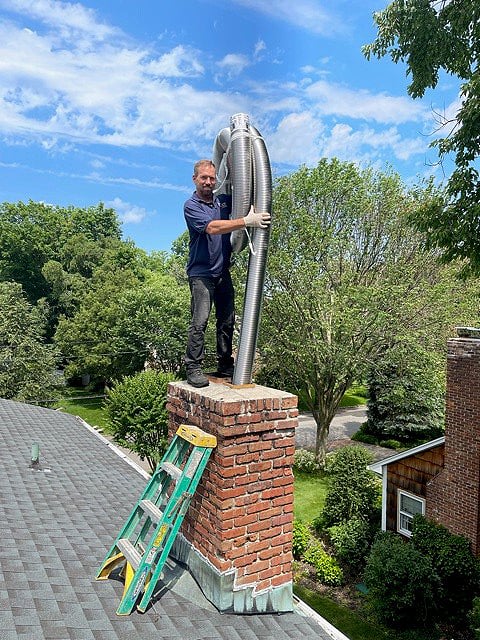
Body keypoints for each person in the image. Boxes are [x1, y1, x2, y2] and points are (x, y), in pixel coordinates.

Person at [184, 159, 271, 388]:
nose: (208, 182)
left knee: (227, 320)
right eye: (204, 178)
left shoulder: (222, 202)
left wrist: (251, 209)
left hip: (222, 272)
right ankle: (193, 368)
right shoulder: (191, 206)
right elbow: (212, 228)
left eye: (212, 178)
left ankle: (224, 364)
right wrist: (245, 221)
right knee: (199, 322)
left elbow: (243, 197)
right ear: (195, 179)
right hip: (201, 274)